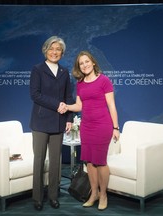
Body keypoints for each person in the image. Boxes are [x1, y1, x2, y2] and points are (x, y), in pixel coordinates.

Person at [58, 51, 120, 211]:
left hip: (102, 125)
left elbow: (111, 105)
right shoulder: (80, 83)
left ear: (93, 63)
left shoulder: (104, 80)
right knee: (89, 162)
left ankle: (104, 195)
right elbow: (79, 106)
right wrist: (66, 106)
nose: (84, 65)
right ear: (79, 67)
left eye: (87, 62)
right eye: (81, 63)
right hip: (86, 127)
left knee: (100, 162)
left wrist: (116, 127)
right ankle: (94, 194)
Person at [29, 36, 73, 211]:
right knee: (39, 160)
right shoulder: (37, 69)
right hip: (40, 122)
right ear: (45, 50)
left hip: (59, 122)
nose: (54, 52)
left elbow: (68, 96)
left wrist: (69, 118)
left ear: (62, 53)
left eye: (58, 50)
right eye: (51, 49)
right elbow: (35, 95)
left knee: (56, 161)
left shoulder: (64, 71)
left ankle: (53, 196)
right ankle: (37, 198)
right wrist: (57, 105)